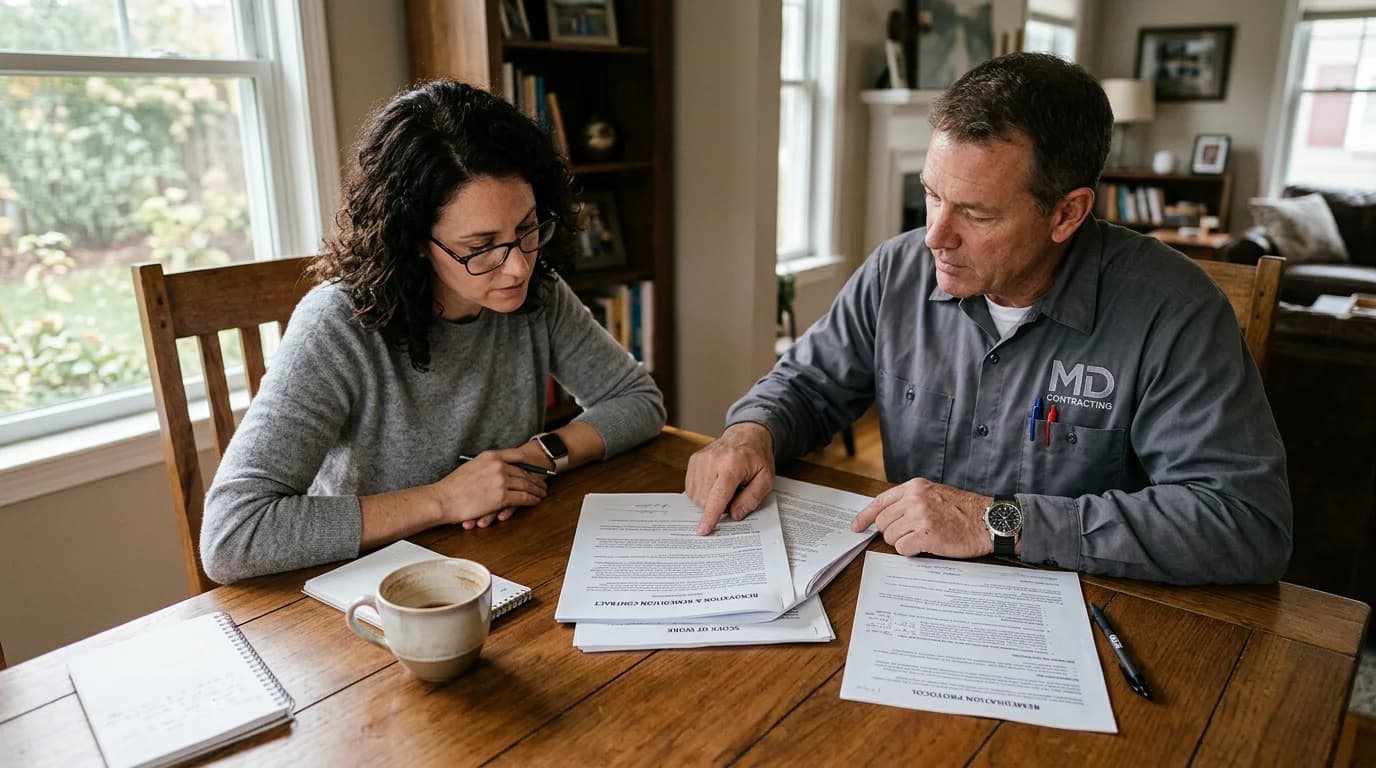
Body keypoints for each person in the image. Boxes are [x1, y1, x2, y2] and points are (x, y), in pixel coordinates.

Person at [684, 52, 1291, 585]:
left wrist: (995, 522)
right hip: (912, 593)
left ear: (1066, 214)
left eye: (975, 212)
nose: (935, 237)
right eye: (932, 194)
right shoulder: (897, 272)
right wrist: (750, 432)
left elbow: (1245, 523)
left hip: (1093, 611)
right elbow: (806, 386)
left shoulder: (1174, 310)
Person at [201, 80, 665, 583]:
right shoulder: (336, 326)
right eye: (481, 245)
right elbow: (232, 535)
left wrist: (533, 459)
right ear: (415, 241)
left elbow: (638, 400)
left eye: (528, 228)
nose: (518, 268)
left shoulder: (538, 295)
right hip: (363, 593)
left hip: (499, 562)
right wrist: (445, 498)